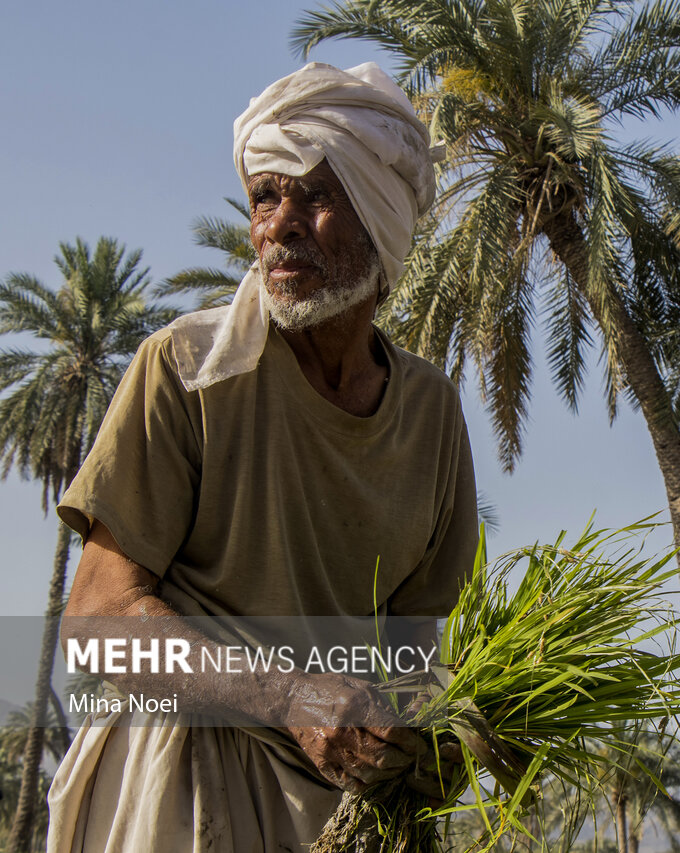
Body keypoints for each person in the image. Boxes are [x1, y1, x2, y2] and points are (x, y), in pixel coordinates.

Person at [47, 62, 477, 852]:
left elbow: (414, 651)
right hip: (179, 788)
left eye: (314, 196)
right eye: (264, 198)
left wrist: (450, 740)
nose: (277, 225)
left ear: (380, 219)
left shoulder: (431, 414)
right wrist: (287, 695)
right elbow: (97, 620)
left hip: (344, 813)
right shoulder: (185, 369)